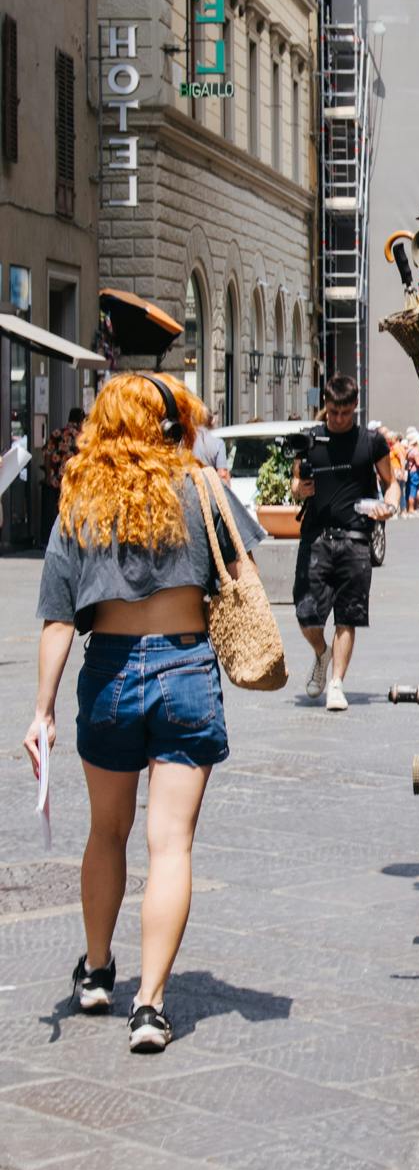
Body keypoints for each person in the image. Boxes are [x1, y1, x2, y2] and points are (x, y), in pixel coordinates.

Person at [26, 372, 261, 1055]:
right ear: (167, 423)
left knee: (106, 832)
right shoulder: (202, 486)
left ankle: (98, 972)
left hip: (110, 675)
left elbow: (57, 621)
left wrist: (41, 711)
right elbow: (242, 574)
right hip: (187, 671)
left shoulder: (81, 498)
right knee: (172, 844)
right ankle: (152, 1007)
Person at [290, 374, 394, 712]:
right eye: (333, 412)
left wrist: (388, 506)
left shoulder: (371, 442)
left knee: (347, 616)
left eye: (345, 413)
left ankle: (336, 684)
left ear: (355, 407)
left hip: (355, 538)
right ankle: (321, 652)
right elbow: (294, 484)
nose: (338, 419)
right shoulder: (310, 440)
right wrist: (299, 489)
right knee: (307, 615)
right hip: (315, 538)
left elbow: (391, 483)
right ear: (326, 406)